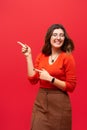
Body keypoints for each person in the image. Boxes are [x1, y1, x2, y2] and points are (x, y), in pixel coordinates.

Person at [21, 24, 76, 130]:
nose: (58, 38)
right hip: (41, 102)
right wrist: (28, 56)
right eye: (55, 35)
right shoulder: (42, 56)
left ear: (64, 38)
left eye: (61, 35)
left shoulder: (67, 57)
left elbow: (71, 86)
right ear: (49, 37)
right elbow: (33, 80)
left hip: (60, 104)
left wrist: (51, 79)